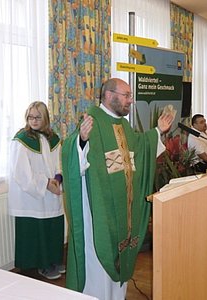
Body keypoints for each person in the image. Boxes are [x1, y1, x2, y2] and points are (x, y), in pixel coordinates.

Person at [62, 78, 173, 300]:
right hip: (99, 210)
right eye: (127, 95)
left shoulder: (122, 125)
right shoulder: (93, 120)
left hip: (123, 208)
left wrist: (157, 132)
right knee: (99, 258)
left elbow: (140, 148)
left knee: (118, 263)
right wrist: (81, 141)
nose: (131, 101)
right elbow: (71, 154)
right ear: (110, 95)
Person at [8, 101, 64, 280]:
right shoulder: (22, 140)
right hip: (32, 196)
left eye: (37, 117)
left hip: (51, 191)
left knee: (53, 227)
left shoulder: (53, 138)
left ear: (45, 118)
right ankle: (42, 265)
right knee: (38, 230)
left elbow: (59, 163)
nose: (33, 120)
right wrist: (45, 183)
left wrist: (57, 179)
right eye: (30, 117)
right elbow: (21, 172)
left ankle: (54, 260)